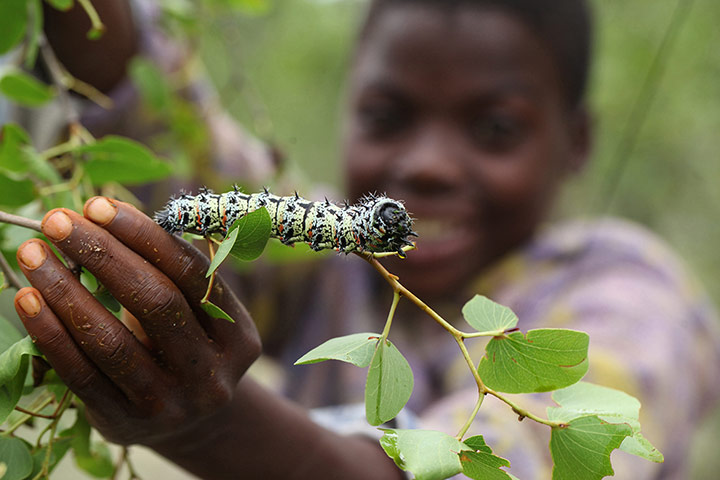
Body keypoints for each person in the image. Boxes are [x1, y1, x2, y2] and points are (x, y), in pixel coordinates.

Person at [10, 0, 720, 479]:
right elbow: (165, 139)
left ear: (577, 142)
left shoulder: (634, 301)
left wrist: (212, 431)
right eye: (388, 117)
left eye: (494, 129)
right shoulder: (338, 262)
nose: (430, 165)